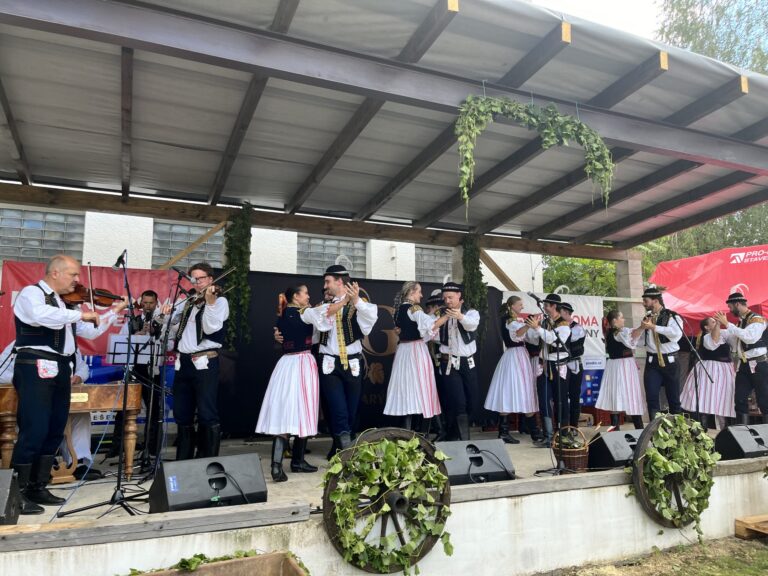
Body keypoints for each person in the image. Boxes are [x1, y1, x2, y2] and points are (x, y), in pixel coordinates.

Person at [11, 254, 125, 514]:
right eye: (73, 274)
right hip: (36, 364)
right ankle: (16, 493)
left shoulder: (67, 305)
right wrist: (81, 314)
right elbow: (40, 315)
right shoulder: (32, 294)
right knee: (34, 428)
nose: (77, 280)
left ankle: (38, 486)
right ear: (55, 273)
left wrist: (112, 312)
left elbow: (90, 330)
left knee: (54, 428)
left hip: (62, 367)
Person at [256, 284, 343, 481]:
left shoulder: (283, 315)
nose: (308, 296)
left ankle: (277, 465)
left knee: (284, 411)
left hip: (285, 364)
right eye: (305, 293)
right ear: (296, 296)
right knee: (305, 409)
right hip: (302, 362)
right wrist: (345, 300)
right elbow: (328, 311)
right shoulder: (305, 312)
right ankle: (297, 461)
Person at [1, 341, 101, 481]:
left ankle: (78, 462)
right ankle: (39, 466)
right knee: (38, 421)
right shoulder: (21, 343)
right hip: (30, 397)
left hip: (61, 394)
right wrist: (30, 379)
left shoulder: (68, 344)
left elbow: (82, 367)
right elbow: (2, 372)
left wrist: (78, 376)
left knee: (81, 414)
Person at [163, 262, 229, 460]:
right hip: (183, 363)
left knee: (207, 413)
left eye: (201, 278)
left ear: (210, 279)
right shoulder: (189, 301)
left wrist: (210, 303)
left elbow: (210, 328)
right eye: (194, 279)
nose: (197, 282)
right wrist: (166, 315)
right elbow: (176, 329)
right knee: (182, 413)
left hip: (204, 362)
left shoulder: (219, 301)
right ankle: (183, 462)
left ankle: (207, 461)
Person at [318, 265, 378, 450]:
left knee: (352, 410)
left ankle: (343, 448)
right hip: (329, 363)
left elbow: (370, 320)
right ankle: (344, 453)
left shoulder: (359, 303)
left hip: (353, 363)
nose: (325, 286)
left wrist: (356, 300)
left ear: (339, 281)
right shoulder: (324, 306)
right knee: (338, 410)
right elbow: (313, 328)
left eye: (328, 281)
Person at [384, 282, 448, 430]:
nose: (421, 295)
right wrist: (445, 316)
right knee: (424, 387)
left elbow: (408, 326)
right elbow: (430, 325)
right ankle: (432, 430)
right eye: (419, 291)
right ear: (412, 292)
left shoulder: (398, 310)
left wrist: (433, 316)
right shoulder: (414, 309)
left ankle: (409, 432)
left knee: (407, 389)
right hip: (416, 351)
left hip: (403, 351)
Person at [112, 289, 166, 460]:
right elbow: (121, 341)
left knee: (153, 410)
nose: (148, 306)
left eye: (151, 303)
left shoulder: (162, 321)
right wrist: (136, 336)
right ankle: (118, 447)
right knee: (125, 408)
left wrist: (154, 335)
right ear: (141, 303)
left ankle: (152, 448)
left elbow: (168, 344)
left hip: (152, 370)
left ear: (156, 304)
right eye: (145, 303)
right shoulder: (133, 320)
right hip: (135, 369)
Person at [484, 295, 539, 445]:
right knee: (509, 391)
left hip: (519, 356)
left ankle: (533, 431)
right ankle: (506, 432)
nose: (522, 307)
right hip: (514, 357)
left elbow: (528, 337)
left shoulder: (515, 321)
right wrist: (528, 325)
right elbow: (516, 334)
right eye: (520, 304)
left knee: (524, 391)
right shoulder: (509, 321)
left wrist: (534, 327)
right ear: (512, 306)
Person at [714, 291, 768, 424]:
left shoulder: (757, 319)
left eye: (730, 306)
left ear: (737, 304)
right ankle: (742, 432)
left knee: (764, 399)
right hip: (743, 365)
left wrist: (727, 324)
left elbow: (750, 338)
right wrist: (717, 326)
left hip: (759, 364)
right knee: (740, 399)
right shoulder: (740, 323)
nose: (730, 310)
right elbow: (732, 339)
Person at [436, 281, 480, 441]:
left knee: (472, 400)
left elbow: (472, 326)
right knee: (457, 401)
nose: (447, 301)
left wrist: (459, 316)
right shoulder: (441, 314)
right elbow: (430, 331)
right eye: (445, 298)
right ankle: (462, 439)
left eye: (450, 297)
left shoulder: (471, 312)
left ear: (459, 296)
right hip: (449, 363)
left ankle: (456, 433)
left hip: (467, 362)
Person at [633, 285, 682, 420]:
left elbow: (676, 334)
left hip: (670, 361)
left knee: (673, 398)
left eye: (646, 301)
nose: (644, 304)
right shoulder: (647, 318)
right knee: (652, 397)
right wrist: (641, 329)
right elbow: (641, 340)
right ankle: (655, 428)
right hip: (652, 362)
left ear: (655, 301)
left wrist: (654, 327)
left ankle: (677, 429)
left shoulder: (672, 316)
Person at [528, 293, 571, 448]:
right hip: (543, 365)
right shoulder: (545, 322)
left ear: (554, 306)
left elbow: (554, 340)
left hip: (557, 366)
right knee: (543, 399)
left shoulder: (564, 325)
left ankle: (562, 435)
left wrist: (538, 328)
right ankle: (548, 435)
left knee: (560, 400)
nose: (544, 308)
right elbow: (534, 340)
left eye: (546, 305)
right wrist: (531, 329)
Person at [680, 316, 735, 427]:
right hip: (709, 370)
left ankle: (726, 431)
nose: (716, 323)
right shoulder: (706, 337)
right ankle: (701, 429)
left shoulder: (723, 334)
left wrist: (729, 324)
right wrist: (719, 323)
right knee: (705, 399)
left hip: (725, 372)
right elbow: (713, 342)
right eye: (713, 322)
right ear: (706, 327)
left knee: (723, 400)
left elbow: (736, 338)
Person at [596, 310, 644, 430]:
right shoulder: (617, 333)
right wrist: (642, 327)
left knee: (617, 395)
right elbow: (631, 338)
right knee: (629, 394)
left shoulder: (615, 332)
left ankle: (618, 429)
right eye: (621, 317)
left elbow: (632, 333)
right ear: (614, 321)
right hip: (622, 365)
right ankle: (638, 430)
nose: (624, 319)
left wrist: (642, 328)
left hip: (616, 365)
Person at [560, 302, 586, 428]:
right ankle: (563, 426)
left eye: (559, 312)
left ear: (566, 313)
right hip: (561, 365)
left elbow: (567, 339)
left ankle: (574, 426)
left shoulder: (577, 328)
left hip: (574, 365)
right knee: (561, 396)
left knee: (574, 395)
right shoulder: (558, 326)